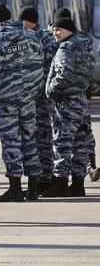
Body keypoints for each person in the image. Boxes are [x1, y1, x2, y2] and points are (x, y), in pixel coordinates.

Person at [0, 3, 43, 202]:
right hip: (29, 99)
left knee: (11, 143)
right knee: (30, 139)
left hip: (4, 101)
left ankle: (15, 188)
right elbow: (40, 64)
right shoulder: (32, 37)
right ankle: (33, 187)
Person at [43, 17, 93, 197]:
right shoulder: (81, 45)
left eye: (59, 30)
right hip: (80, 101)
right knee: (80, 142)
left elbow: (64, 75)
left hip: (67, 102)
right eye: (54, 30)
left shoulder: (66, 48)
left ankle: (61, 183)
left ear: (69, 30)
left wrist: (49, 89)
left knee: (62, 142)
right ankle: (78, 184)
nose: (55, 33)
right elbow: (90, 70)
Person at [17, 6, 58, 193]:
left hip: (40, 96)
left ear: (28, 22)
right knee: (40, 136)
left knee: (42, 136)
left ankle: (45, 178)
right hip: (38, 95)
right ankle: (44, 176)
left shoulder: (39, 38)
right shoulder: (44, 36)